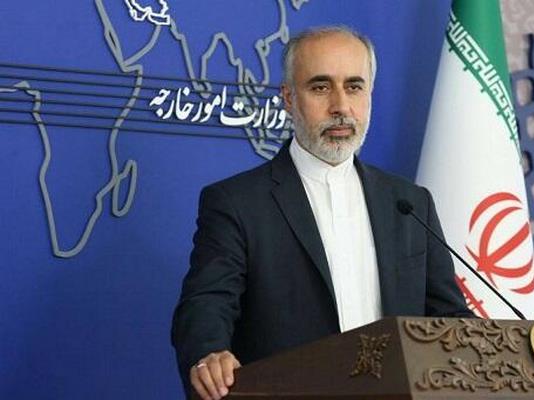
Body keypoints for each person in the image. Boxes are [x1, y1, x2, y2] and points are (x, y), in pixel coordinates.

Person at [171, 25, 474, 400]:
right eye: (320, 87)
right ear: (288, 98)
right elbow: (207, 303)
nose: (341, 107)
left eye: (354, 87)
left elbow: (449, 318)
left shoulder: (410, 202)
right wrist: (208, 353)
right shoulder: (237, 202)